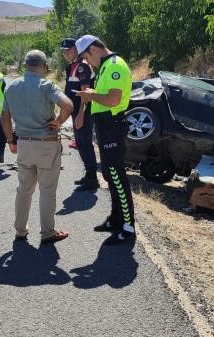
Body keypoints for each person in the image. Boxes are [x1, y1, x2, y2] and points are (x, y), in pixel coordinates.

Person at [0, 50, 73, 244]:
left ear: (25, 65)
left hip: (23, 143)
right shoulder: (46, 85)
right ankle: (47, 233)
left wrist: (10, 141)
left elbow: (4, 117)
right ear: (43, 66)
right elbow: (68, 105)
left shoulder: (11, 87)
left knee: (24, 189)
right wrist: (59, 121)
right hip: (46, 144)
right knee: (47, 190)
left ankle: (20, 231)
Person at [75, 35, 136, 245]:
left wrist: (91, 96)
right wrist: (92, 94)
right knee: (110, 175)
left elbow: (113, 99)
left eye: (85, 56)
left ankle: (128, 227)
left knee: (117, 176)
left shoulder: (114, 65)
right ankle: (116, 219)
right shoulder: (104, 67)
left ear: (93, 49)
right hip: (104, 126)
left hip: (112, 126)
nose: (86, 61)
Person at [60, 38, 99, 190]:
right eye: (63, 51)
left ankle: (92, 179)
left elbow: (85, 93)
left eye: (68, 50)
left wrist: (81, 115)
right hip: (76, 112)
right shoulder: (73, 66)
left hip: (83, 112)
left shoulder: (82, 66)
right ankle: (89, 175)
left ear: (76, 49)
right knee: (81, 144)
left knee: (85, 144)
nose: (65, 54)